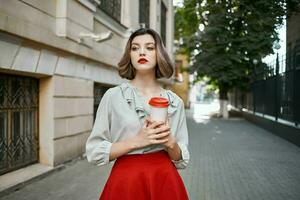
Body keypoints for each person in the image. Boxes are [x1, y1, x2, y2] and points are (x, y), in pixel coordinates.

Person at [86, 28, 190, 200]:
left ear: (159, 54)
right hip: (126, 181)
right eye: (135, 48)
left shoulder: (175, 102)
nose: (142, 52)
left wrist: (171, 143)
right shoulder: (113, 96)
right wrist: (136, 141)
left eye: (149, 47)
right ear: (130, 55)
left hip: (164, 179)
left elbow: (181, 160)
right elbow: (94, 151)